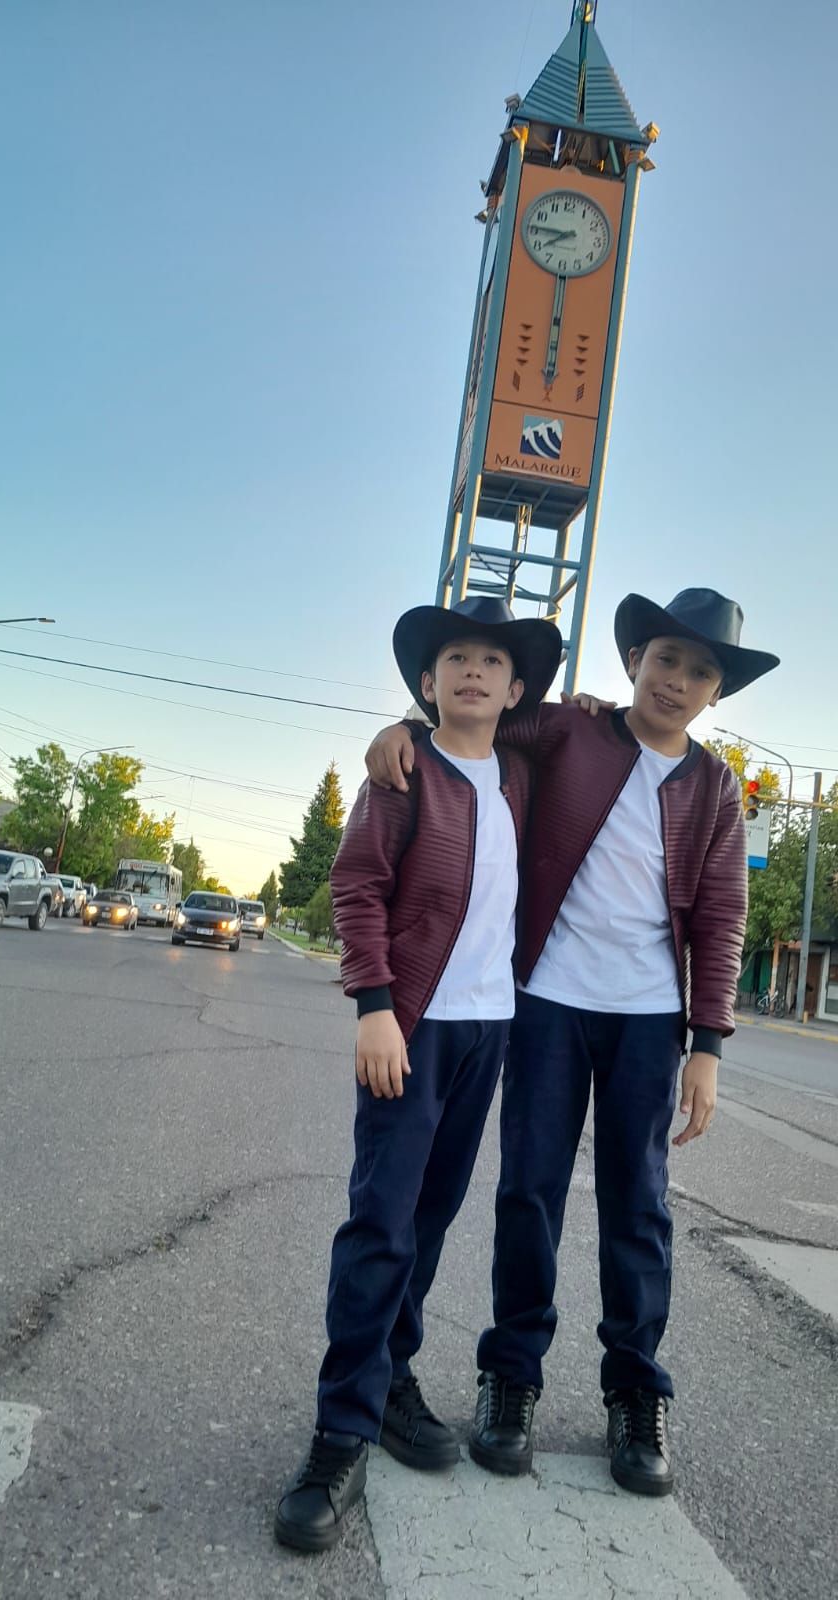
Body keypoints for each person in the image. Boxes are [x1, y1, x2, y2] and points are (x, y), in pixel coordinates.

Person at [367, 588, 779, 1498]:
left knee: (640, 1206)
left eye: (699, 671)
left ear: (716, 692)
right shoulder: (569, 730)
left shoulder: (715, 787)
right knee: (529, 1193)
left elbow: (722, 917)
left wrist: (708, 1044)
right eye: (664, 659)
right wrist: (400, 728)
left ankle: (635, 1392)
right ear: (633, 661)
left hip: (648, 1020)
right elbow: (471, 720)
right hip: (547, 1002)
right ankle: (510, 1377)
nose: (676, 681)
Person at [274, 596, 561, 1553]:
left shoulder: (521, 774)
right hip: (412, 1026)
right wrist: (374, 1006)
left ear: (514, 689)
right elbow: (357, 885)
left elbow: (574, 727)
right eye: (456, 658)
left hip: (490, 1028)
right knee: (381, 1223)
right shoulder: (403, 773)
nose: (474, 670)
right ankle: (339, 1433)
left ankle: (391, 1379)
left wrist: (586, 705)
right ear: (427, 683)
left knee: (430, 1220)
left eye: (493, 661)